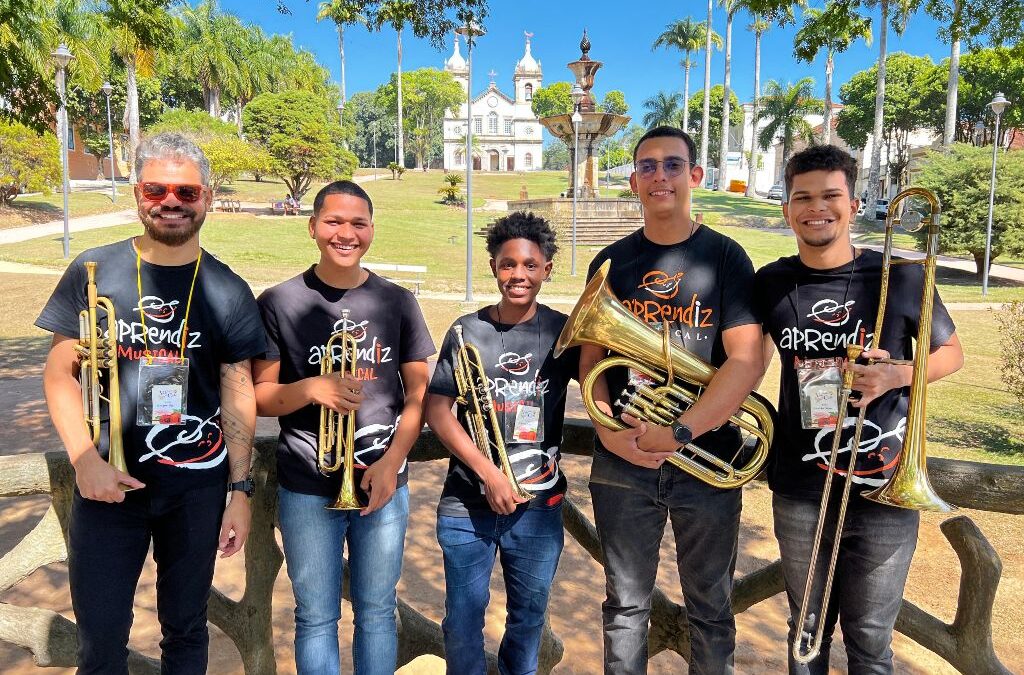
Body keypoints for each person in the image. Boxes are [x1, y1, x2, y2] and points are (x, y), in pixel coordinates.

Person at [37, 132, 265, 674]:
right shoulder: (95, 270)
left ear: (207, 198)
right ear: (138, 194)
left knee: (185, 633)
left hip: (196, 489)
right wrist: (84, 460)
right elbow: (58, 374)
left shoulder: (228, 289)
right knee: (100, 640)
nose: (171, 202)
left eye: (187, 193)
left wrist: (239, 490)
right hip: (107, 485)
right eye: (157, 189)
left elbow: (238, 391)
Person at [753, 145, 963, 674]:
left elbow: (952, 354)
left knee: (871, 642)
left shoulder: (903, 276)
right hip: (802, 487)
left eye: (830, 195)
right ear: (786, 208)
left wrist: (898, 373)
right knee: (806, 633)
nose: (815, 208)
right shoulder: (771, 282)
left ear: (853, 202)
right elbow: (746, 362)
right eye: (801, 197)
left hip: (885, 488)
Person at [580, 126, 764, 675]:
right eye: (648, 167)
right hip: (624, 460)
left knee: (711, 609)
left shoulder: (726, 257)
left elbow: (747, 360)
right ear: (634, 180)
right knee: (625, 608)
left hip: (705, 460)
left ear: (695, 176)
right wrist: (613, 433)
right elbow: (592, 361)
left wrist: (681, 430)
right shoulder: (611, 262)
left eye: (673, 165)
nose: (660, 176)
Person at [253, 180, 434, 675]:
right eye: (333, 221)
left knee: (377, 612)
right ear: (313, 227)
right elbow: (261, 397)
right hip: (308, 484)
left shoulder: (397, 302)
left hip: (382, 482)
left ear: (372, 230)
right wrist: (312, 388)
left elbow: (419, 394)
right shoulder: (279, 301)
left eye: (358, 223)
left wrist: (393, 463)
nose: (345, 233)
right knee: (315, 615)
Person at [425, 212, 578, 675]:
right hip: (467, 505)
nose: (519, 275)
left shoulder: (563, 332)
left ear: (547, 269)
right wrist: (489, 473)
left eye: (531, 266)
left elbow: (599, 389)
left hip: (538, 506)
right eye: (509, 264)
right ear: (494, 266)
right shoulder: (466, 330)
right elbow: (437, 409)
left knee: (528, 619)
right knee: (462, 623)